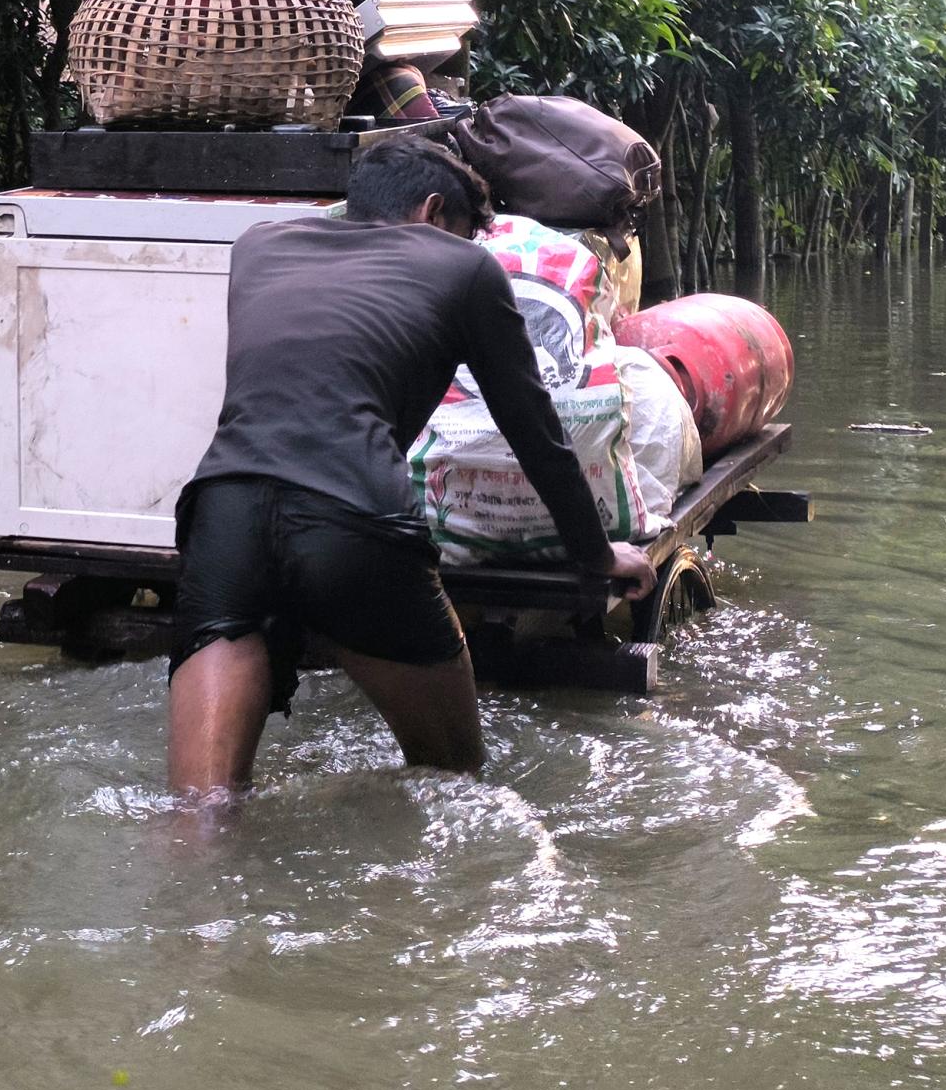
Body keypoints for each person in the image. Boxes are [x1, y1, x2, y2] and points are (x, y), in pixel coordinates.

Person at [168, 137, 654, 796]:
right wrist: (597, 558)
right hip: (354, 519)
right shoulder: (464, 269)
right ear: (433, 213)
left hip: (222, 511)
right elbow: (535, 434)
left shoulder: (259, 246)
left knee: (202, 813)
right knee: (456, 785)